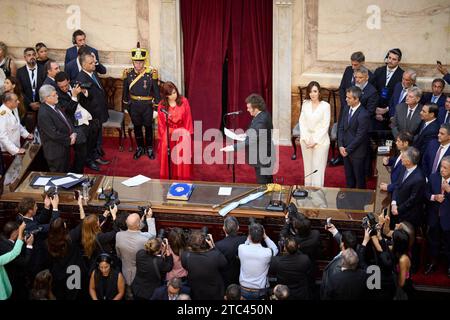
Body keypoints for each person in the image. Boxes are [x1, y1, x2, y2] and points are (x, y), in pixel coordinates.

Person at [221, 93, 275, 184]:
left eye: (249, 108)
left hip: (262, 157)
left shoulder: (262, 120)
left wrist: (232, 148)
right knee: (266, 181)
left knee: (263, 184)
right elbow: (255, 130)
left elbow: (251, 140)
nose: (247, 110)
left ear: (256, 107)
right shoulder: (262, 115)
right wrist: (245, 134)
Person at [122, 42, 160, 160]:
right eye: (136, 62)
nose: (138, 64)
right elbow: (124, 91)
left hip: (147, 106)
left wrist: (156, 108)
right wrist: (126, 106)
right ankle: (140, 148)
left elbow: (156, 92)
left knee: (149, 128)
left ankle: (149, 148)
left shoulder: (150, 74)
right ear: (133, 62)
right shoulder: (128, 74)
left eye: (140, 62)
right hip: (134, 106)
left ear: (144, 62)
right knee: (137, 128)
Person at [76, 52, 110, 170]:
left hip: (99, 111)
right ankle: (89, 160)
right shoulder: (80, 78)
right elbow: (85, 99)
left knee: (98, 138)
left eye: (94, 62)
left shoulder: (93, 72)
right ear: (83, 65)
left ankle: (96, 156)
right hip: (91, 114)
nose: (94, 65)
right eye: (91, 63)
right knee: (91, 139)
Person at [55, 71, 91, 173]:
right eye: (61, 87)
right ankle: (77, 173)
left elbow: (87, 100)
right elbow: (68, 112)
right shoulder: (58, 95)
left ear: (69, 81)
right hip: (72, 125)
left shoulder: (75, 85)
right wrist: (74, 97)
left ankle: (85, 163)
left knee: (86, 146)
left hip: (84, 120)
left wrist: (84, 92)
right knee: (80, 151)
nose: (64, 88)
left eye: (66, 85)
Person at [157, 81, 193, 180]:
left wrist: (187, 135)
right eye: (170, 94)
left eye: (174, 92)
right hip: (168, 132)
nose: (174, 95)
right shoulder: (162, 105)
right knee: (165, 148)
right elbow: (161, 124)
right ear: (165, 95)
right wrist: (162, 139)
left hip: (182, 131)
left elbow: (188, 119)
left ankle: (182, 178)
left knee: (182, 154)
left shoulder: (184, 101)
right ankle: (168, 177)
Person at [298, 81, 330, 187]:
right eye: (310, 91)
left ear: (319, 92)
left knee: (317, 168)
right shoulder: (305, 103)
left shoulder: (326, 106)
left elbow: (325, 126)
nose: (312, 94)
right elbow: (302, 122)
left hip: (321, 141)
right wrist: (307, 138)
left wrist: (315, 140)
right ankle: (307, 192)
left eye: (315, 91)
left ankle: (318, 198)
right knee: (308, 168)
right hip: (306, 140)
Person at [338, 86, 370, 189]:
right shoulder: (346, 108)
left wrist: (348, 149)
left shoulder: (363, 114)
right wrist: (341, 145)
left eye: (349, 98)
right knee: (349, 180)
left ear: (356, 99)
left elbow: (360, 136)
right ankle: (349, 202)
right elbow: (341, 128)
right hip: (345, 151)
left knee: (360, 181)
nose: (346, 99)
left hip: (357, 153)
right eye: (346, 97)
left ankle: (361, 204)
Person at [37, 84, 75, 172]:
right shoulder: (43, 113)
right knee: (59, 177)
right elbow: (53, 134)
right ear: (46, 98)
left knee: (65, 172)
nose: (57, 96)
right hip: (55, 152)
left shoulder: (55, 105)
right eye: (54, 95)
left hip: (63, 148)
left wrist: (73, 132)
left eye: (56, 94)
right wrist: (69, 140)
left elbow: (66, 119)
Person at [181, 230, 227, 300]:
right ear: (206, 243)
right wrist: (213, 246)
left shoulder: (185, 255)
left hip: (197, 291)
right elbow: (224, 263)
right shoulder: (215, 255)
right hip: (214, 291)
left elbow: (185, 266)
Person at [238, 222, 278, 300]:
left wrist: (249, 237)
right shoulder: (268, 252)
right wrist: (265, 236)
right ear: (262, 236)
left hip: (244, 288)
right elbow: (275, 249)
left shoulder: (241, 248)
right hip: (260, 291)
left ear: (249, 236)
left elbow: (246, 243)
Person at [424, 156, 450, 277]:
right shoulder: (433, 177)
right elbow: (426, 193)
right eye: (441, 166)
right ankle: (433, 263)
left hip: (448, 220)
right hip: (434, 217)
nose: (442, 169)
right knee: (433, 241)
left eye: (445, 168)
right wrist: (434, 197)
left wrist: (449, 190)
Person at [391, 147, 426, 228]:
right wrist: (393, 203)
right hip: (395, 209)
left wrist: (398, 210)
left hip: (408, 216)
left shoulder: (419, 179)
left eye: (403, 157)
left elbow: (412, 200)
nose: (401, 158)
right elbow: (397, 185)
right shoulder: (403, 168)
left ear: (409, 161)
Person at [372, 48, 404, 132]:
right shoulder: (378, 71)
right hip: (375, 112)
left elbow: (400, 98)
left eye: (394, 59)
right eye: (389, 58)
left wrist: (387, 110)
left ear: (398, 61)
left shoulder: (402, 75)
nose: (390, 61)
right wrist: (375, 111)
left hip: (390, 115)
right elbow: (372, 92)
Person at [0, 221, 33, 300]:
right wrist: (29, 245)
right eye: (19, 232)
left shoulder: (2, 239)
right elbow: (23, 261)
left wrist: (23, 241)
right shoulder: (7, 248)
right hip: (13, 281)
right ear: (14, 233)